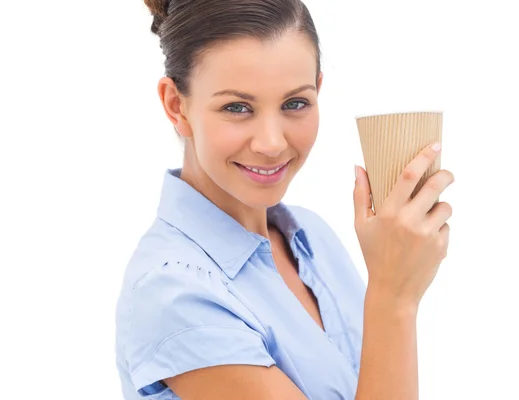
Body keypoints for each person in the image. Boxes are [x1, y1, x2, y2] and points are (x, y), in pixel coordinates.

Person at [114, 0, 454, 399]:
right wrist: (394, 296)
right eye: (237, 107)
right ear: (177, 105)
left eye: (295, 103)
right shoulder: (174, 294)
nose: (272, 143)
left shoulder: (312, 236)